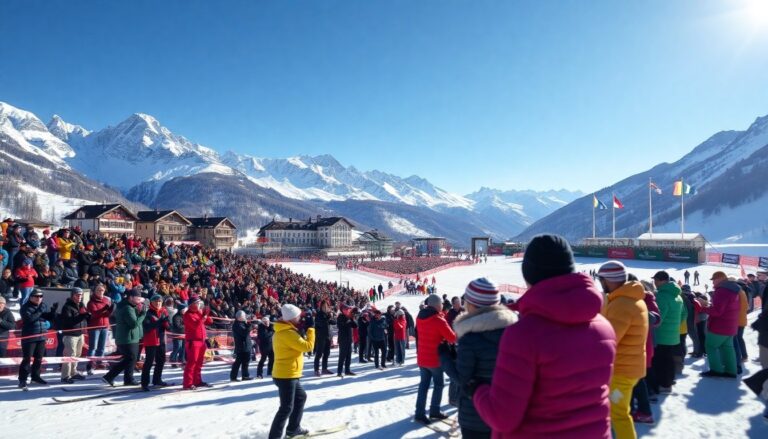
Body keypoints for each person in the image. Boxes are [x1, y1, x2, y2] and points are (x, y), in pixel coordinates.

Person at [473, 234, 616, 438]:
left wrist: (477, 390)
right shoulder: (604, 328)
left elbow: (502, 417)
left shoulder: (524, 335)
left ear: (529, 274)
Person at [439, 277, 517, 438]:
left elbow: (463, 379)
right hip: (507, 409)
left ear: (473, 305)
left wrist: (445, 357)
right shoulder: (513, 329)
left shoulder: (470, 338)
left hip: (475, 414)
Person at [597, 262, 648, 439]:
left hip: (622, 370)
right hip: (627, 367)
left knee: (619, 414)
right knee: (615, 413)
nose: (600, 283)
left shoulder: (622, 305)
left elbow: (608, 338)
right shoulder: (626, 299)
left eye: (600, 279)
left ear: (608, 280)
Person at [269, 304, 316, 439]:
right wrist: (311, 329)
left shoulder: (285, 330)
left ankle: (293, 429)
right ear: (291, 319)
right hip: (286, 375)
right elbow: (308, 347)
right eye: (298, 317)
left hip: (288, 374)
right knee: (286, 408)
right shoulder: (287, 333)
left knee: (301, 397)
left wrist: (302, 329)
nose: (300, 319)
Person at [414, 293, 458, 424]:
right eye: (441, 304)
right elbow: (452, 338)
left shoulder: (420, 316)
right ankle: (434, 410)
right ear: (437, 305)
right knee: (439, 384)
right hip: (435, 359)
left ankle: (419, 413)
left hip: (422, 358)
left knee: (423, 385)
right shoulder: (439, 320)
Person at [697, 271, 740, 378]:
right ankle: (731, 371)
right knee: (727, 348)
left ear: (720, 279)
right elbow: (724, 307)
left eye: (714, 280)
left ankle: (716, 370)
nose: (713, 282)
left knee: (710, 346)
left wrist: (703, 307)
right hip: (731, 325)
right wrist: (709, 304)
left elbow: (717, 311)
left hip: (720, 326)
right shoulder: (733, 290)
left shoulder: (722, 291)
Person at [103, 289, 147, 387]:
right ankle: (110, 376)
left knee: (131, 358)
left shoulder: (130, 306)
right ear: (131, 297)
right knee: (130, 358)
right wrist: (143, 314)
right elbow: (133, 324)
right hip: (127, 338)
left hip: (131, 337)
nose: (140, 300)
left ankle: (128, 378)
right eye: (138, 297)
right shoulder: (127, 308)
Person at [651, 271, 685, 391]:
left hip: (662, 335)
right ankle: (669, 381)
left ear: (662, 280)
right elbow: (684, 314)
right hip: (673, 335)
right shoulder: (678, 296)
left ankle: (664, 384)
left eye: (656, 280)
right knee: (668, 359)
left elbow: (658, 318)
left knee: (660, 361)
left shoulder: (662, 296)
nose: (654, 283)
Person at [19, 289, 58, 389]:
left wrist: (53, 311)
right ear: (31, 297)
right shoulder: (25, 307)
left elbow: (47, 317)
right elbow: (30, 319)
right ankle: (22, 379)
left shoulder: (42, 306)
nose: (39, 298)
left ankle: (35, 376)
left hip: (41, 336)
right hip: (30, 336)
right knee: (27, 359)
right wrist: (40, 311)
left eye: (41, 296)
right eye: (36, 296)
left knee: (39, 358)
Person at [59, 288, 91, 384]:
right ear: (72, 295)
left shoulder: (81, 305)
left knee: (77, 354)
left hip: (80, 333)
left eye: (81, 295)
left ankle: (73, 372)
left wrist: (87, 316)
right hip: (70, 335)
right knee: (69, 355)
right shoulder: (67, 307)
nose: (80, 297)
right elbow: (69, 322)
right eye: (77, 295)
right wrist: (82, 316)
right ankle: (65, 376)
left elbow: (83, 318)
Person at [141, 294, 171, 390]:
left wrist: (166, 323)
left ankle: (157, 379)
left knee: (161, 361)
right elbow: (146, 328)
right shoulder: (148, 313)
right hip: (151, 340)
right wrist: (159, 322)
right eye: (156, 301)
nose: (158, 303)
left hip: (161, 340)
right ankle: (144, 383)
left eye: (159, 301)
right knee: (149, 362)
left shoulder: (164, 311)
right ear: (151, 303)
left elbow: (169, 327)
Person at [183, 296, 213, 389]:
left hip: (201, 341)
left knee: (199, 363)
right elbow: (195, 325)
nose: (199, 305)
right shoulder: (188, 315)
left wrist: (206, 314)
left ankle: (197, 381)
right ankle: (188, 383)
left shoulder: (198, 313)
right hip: (193, 341)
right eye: (197, 303)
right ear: (191, 304)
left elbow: (209, 322)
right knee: (192, 363)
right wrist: (203, 316)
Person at [86, 283, 114, 373]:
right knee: (93, 347)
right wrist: (105, 309)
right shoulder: (91, 302)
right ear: (95, 291)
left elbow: (107, 314)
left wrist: (111, 309)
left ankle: (99, 363)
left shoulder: (106, 300)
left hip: (105, 326)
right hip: (95, 326)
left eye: (102, 290)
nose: (101, 292)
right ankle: (90, 365)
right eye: (99, 290)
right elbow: (95, 313)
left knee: (101, 347)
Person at [231, 310, 254, 381]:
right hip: (241, 346)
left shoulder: (242, 323)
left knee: (246, 361)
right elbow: (244, 333)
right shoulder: (237, 325)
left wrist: (247, 323)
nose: (245, 317)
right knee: (238, 362)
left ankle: (245, 375)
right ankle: (233, 377)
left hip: (246, 345)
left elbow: (246, 330)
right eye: (244, 316)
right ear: (240, 317)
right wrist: (250, 326)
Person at [313, 302, 334, 376]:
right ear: (321, 307)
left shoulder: (327, 315)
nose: (325, 308)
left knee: (326, 353)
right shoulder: (319, 314)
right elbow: (322, 323)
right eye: (324, 306)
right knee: (319, 353)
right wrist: (329, 317)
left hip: (327, 336)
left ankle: (324, 368)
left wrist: (332, 317)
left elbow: (332, 322)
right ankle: (316, 369)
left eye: (327, 306)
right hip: (320, 336)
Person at [336, 304, 357, 377]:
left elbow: (355, 326)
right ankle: (339, 371)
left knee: (349, 355)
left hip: (349, 339)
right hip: (343, 339)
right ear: (342, 310)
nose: (348, 310)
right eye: (346, 309)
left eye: (348, 309)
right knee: (342, 356)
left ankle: (347, 370)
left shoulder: (349, 317)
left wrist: (352, 318)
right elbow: (342, 326)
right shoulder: (340, 317)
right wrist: (348, 319)